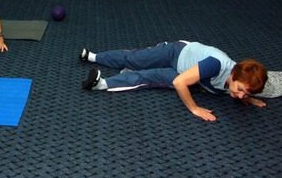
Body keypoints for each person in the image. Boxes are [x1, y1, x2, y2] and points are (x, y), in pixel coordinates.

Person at [80, 41, 268, 122]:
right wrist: (195, 109)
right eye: (240, 89)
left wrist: (248, 97)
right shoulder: (215, 65)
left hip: (184, 74)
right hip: (176, 53)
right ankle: (92, 56)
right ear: (233, 75)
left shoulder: (238, 81)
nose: (240, 95)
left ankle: (101, 84)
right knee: (135, 59)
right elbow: (179, 83)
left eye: (245, 93)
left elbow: (243, 85)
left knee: (147, 77)